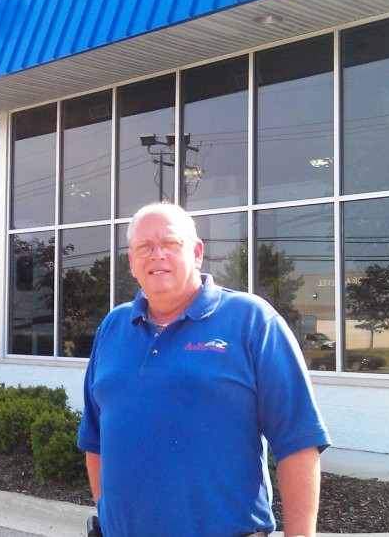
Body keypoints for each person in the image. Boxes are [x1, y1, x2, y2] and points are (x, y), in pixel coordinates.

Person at [77, 202, 331, 536]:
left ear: (196, 253)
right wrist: (109, 516)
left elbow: (298, 441)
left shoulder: (252, 321)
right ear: (131, 263)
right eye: (144, 247)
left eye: (170, 244)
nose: (157, 255)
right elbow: (95, 441)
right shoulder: (113, 327)